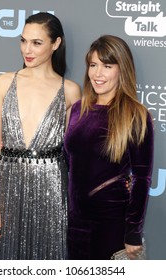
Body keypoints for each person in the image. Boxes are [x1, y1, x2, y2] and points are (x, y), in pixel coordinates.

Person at [0, 12, 81, 260]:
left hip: (52, 192)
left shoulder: (70, 91)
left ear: (56, 43)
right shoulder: (4, 83)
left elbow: (76, 152)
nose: (27, 49)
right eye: (23, 40)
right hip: (8, 190)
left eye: (37, 43)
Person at [64, 35, 154, 260]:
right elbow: (70, 163)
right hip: (75, 223)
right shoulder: (77, 109)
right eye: (93, 65)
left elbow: (142, 179)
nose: (97, 74)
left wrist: (133, 231)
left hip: (112, 224)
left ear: (121, 69)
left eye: (107, 66)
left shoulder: (135, 115)